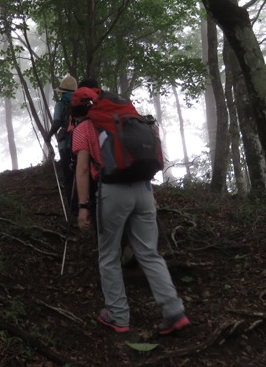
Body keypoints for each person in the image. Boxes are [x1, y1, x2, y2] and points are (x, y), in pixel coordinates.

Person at [71, 86, 189, 335]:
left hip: (112, 191)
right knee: (149, 253)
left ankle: (118, 315)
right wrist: (151, 196)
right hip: (143, 189)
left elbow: (82, 170)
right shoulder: (127, 121)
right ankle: (174, 311)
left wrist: (83, 207)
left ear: (79, 110)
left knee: (108, 256)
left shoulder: (84, 129)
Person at [45, 74, 78, 217]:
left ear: (62, 91)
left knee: (69, 177)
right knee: (81, 174)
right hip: (82, 144)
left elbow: (57, 122)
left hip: (66, 145)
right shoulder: (82, 103)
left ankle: (73, 210)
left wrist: (49, 135)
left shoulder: (61, 104)